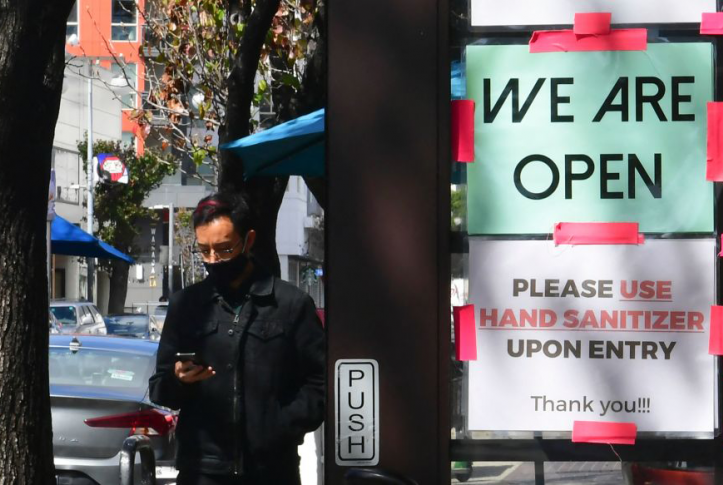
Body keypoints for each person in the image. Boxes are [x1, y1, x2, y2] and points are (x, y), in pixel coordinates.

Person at [149, 192, 326, 485]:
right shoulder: (186, 305)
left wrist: (280, 425)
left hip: (271, 470)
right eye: (204, 251)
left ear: (249, 240)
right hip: (201, 470)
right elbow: (159, 390)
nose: (213, 260)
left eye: (224, 248)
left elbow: (319, 383)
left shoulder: (291, 304)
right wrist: (178, 379)